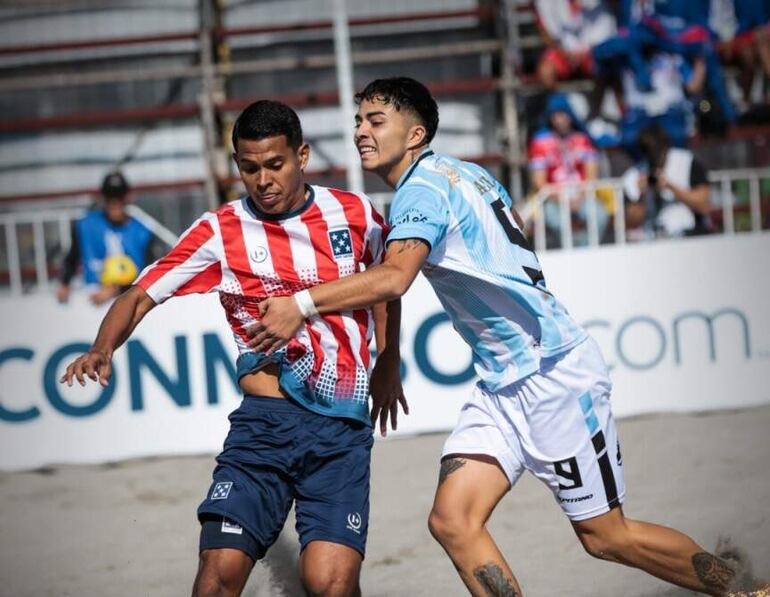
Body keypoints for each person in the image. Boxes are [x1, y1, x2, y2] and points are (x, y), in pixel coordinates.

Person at [248, 77, 761, 596]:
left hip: (553, 375)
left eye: (375, 121)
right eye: (358, 121)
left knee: (606, 536)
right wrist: (391, 356)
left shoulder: (422, 190)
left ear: (415, 133)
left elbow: (395, 277)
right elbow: (441, 258)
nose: (360, 131)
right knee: (452, 520)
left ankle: (741, 586)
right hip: (502, 382)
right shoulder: (466, 174)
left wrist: (302, 303)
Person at [59, 100, 406, 597]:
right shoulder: (219, 231)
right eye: (249, 168)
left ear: (302, 156)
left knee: (329, 583)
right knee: (217, 576)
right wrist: (102, 347)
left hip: (337, 433)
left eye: (275, 164)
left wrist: (388, 362)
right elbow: (139, 294)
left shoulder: (353, 214)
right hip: (262, 429)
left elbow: (386, 286)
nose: (263, 179)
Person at [57, 170, 155, 306]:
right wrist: (64, 283)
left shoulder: (143, 231)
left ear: (127, 197)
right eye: (109, 197)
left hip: (130, 298)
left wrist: (115, 290)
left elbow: (149, 274)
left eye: (119, 197)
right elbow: (72, 258)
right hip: (92, 298)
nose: (114, 202)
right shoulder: (85, 225)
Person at [528, 93, 609, 248]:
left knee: (599, 215)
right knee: (558, 221)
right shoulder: (540, 142)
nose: (560, 119)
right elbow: (539, 181)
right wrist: (561, 198)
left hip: (582, 196)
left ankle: (586, 252)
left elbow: (592, 175)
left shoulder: (583, 139)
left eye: (563, 113)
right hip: (554, 198)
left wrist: (579, 197)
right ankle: (572, 253)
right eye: (555, 115)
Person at [622, 124, 713, 240]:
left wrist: (671, 188)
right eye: (649, 152)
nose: (654, 157)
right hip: (651, 240)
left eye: (656, 151)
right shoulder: (634, 175)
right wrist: (642, 196)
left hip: (689, 234)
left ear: (665, 147)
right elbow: (631, 223)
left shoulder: (686, 162)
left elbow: (704, 205)